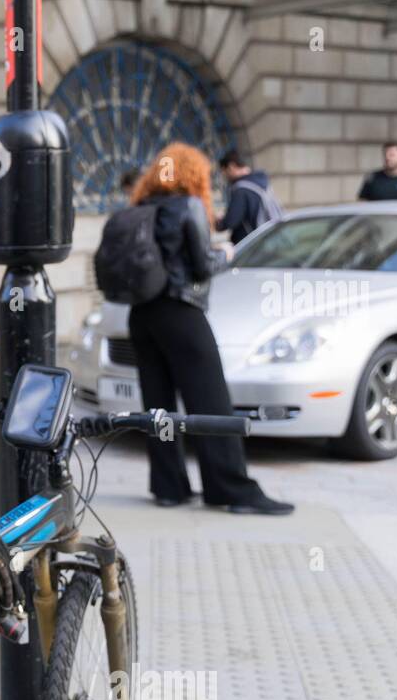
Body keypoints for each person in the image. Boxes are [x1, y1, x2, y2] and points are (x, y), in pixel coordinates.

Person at [126, 143, 294, 516]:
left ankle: (169, 488)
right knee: (212, 403)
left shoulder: (141, 208)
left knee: (159, 406)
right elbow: (202, 266)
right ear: (193, 175)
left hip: (142, 316)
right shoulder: (188, 206)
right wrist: (226, 255)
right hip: (181, 313)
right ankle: (231, 489)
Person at [216, 149, 283, 243]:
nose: (225, 176)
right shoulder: (262, 183)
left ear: (232, 166)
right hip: (266, 241)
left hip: (251, 247)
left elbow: (230, 221)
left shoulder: (242, 189)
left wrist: (220, 221)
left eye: (225, 172)